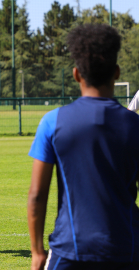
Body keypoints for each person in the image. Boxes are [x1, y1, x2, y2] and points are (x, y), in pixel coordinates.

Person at [28, 24, 139, 270]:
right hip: (127, 250)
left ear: (76, 73)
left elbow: (37, 194)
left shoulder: (53, 122)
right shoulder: (135, 124)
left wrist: (37, 253)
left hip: (70, 251)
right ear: (117, 72)